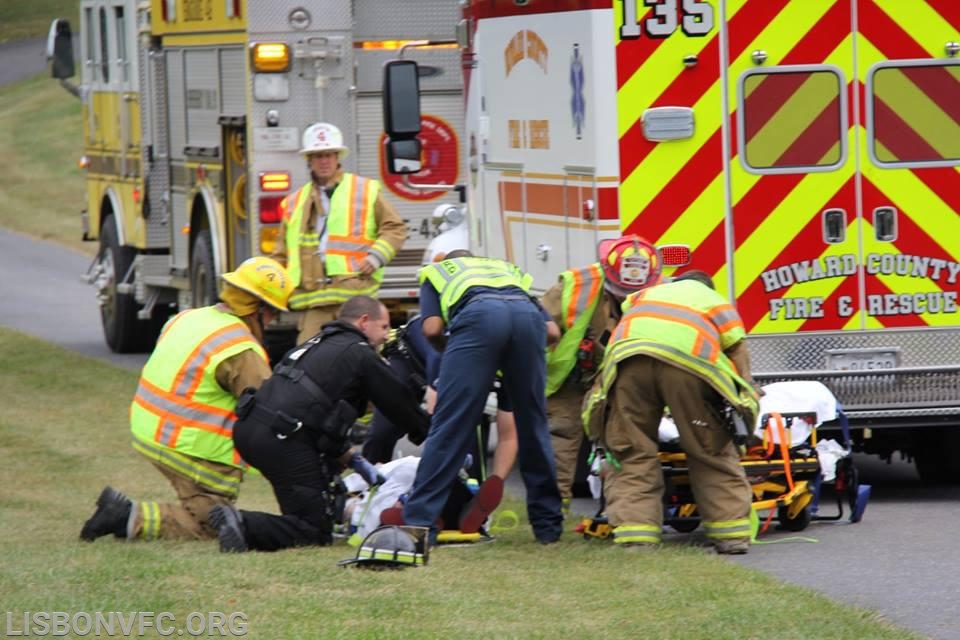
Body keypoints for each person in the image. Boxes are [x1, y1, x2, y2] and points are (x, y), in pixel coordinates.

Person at [80, 257, 295, 542]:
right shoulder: (242, 349)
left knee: (215, 517)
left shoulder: (189, 317)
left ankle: (127, 516)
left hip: (149, 426)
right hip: (188, 444)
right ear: (257, 309)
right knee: (215, 524)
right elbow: (267, 413)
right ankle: (125, 516)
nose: (271, 322)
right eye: (272, 314)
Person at [208, 295, 431, 553]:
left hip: (253, 429)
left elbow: (319, 413)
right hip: (284, 439)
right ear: (364, 321)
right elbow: (398, 402)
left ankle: (252, 525)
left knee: (314, 502)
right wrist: (433, 434)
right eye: (383, 327)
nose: (385, 336)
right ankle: (244, 524)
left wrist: (349, 457)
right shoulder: (358, 353)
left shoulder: (316, 344)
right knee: (314, 530)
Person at [582, 266, 761, 553]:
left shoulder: (645, 296)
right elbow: (737, 351)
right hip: (688, 365)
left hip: (629, 361)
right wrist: (746, 394)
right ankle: (731, 536)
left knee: (631, 449)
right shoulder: (715, 301)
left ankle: (637, 537)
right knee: (709, 449)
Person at [399, 251, 564, 544]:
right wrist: (509, 358)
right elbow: (552, 331)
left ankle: (419, 524)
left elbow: (432, 328)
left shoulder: (437, 273)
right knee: (533, 425)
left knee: (451, 425)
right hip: (526, 320)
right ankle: (548, 527)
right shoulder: (506, 271)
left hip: (478, 319)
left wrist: (460, 352)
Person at [539, 234, 658, 518]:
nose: (624, 297)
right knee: (560, 443)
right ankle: (553, 517)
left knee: (622, 443)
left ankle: (618, 513)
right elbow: (536, 329)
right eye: (618, 291)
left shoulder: (657, 292)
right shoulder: (574, 288)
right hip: (569, 380)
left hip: (618, 379)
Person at [273, 122, 408, 344]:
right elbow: (280, 255)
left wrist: (375, 258)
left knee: (363, 364)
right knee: (308, 363)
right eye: (317, 156)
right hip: (314, 301)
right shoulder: (295, 202)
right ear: (309, 160)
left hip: (357, 301)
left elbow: (395, 228)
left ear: (338, 157)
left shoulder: (363, 190)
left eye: (328, 155)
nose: (324, 161)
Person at [362, 314, 518, 482]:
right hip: (413, 358)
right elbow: (436, 371)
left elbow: (509, 436)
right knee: (383, 432)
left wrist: (496, 482)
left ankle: (466, 496)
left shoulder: (512, 366)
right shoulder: (463, 344)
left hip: (457, 370)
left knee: (469, 443)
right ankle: (366, 485)